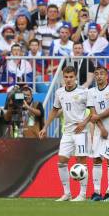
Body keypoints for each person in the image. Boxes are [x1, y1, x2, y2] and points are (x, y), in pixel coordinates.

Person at [39, 66, 90, 202]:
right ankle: (67, 193)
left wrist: (84, 123)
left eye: (71, 77)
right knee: (61, 161)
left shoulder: (84, 92)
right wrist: (45, 127)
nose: (68, 80)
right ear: (63, 77)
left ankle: (83, 194)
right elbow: (54, 110)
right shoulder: (59, 92)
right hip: (67, 132)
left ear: (76, 77)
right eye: (66, 77)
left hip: (81, 131)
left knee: (81, 161)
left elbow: (94, 111)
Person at [87, 66, 109, 201]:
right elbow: (92, 112)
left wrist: (99, 118)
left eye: (102, 74)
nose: (99, 76)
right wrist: (101, 128)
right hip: (99, 130)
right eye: (96, 74)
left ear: (107, 76)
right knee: (96, 159)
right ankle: (96, 192)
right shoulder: (90, 92)